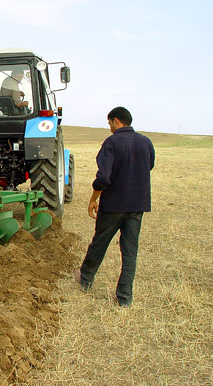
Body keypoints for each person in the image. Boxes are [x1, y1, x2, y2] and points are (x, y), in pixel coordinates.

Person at [73, 107, 155, 307]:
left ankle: (85, 279)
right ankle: (125, 298)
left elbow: (103, 177)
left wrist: (94, 198)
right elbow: (149, 166)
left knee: (99, 243)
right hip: (137, 205)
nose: (109, 126)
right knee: (129, 252)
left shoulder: (112, 142)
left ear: (116, 121)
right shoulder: (146, 142)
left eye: (109, 123)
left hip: (113, 205)